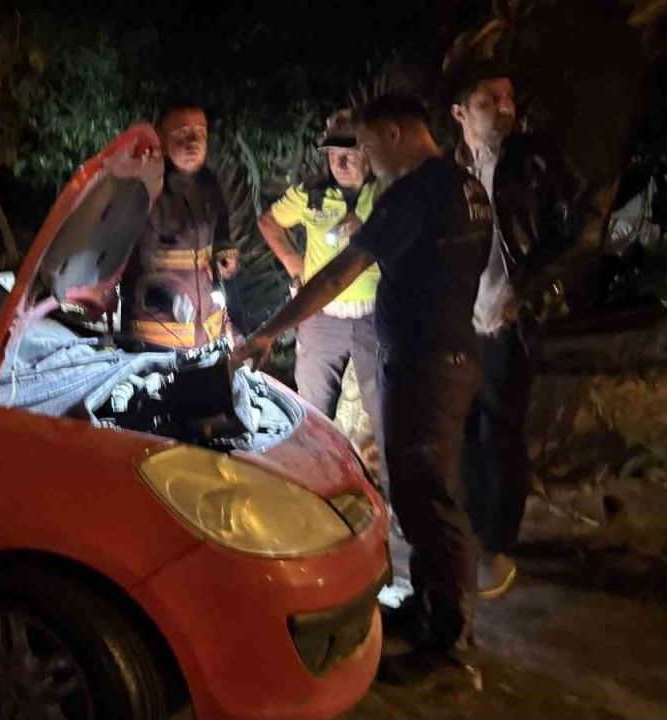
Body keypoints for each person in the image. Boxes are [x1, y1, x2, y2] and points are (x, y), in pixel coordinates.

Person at [232, 93, 492, 680]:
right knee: (423, 490)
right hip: (448, 352)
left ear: (395, 134)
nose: (367, 160)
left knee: (430, 495)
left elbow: (339, 274)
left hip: (426, 364)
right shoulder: (465, 186)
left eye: (370, 146)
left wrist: (270, 330)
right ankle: (428, 609)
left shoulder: (413, 193)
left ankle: (448, 642)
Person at [448, 63, 604, 599]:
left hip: (507, 323)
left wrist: (532, 289)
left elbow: (585, 224)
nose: (506, 108)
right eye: (490, 100)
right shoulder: (447, 171)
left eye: (509, 97)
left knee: (500, 433)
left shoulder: (537, 160)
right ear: (459, 112)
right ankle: (472, 533)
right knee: (464, 431)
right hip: (457, 326)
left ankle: (498, 547)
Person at [258, 108, 385, 477]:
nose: (340, 162)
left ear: (367, 151)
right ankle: (313, 481)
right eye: (332, 154)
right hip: (322, 317)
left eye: (349, 153)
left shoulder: (386, 191)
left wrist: (370, 229)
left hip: (374, 315)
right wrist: (295, 266)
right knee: (312, 408)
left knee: (381, 407)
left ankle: (378, 490)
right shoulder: (311, 193)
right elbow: (269, 223)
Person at [121, 104, 236, 350]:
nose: (193, 141)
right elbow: (134, 262)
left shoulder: (209, 184)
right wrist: (165, 296)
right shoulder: (146, 188)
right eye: (182, 133)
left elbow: (220, 232)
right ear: (161, 139)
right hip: (158, 337)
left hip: (207, 332)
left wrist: (224, 251)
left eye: (200, 132)